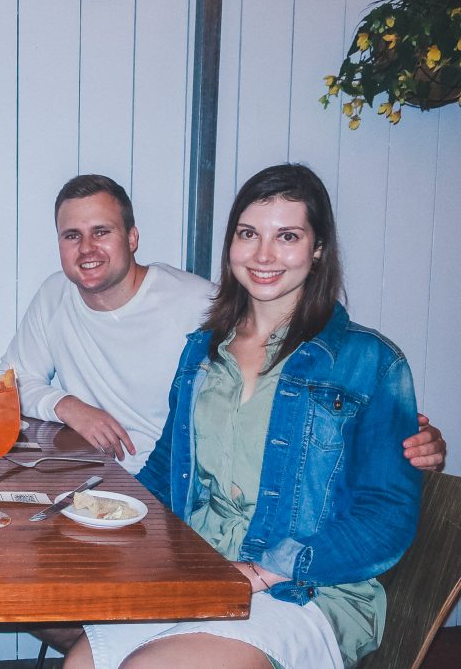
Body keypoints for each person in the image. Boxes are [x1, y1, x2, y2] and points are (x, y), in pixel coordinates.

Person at [65, 164, 423, 668]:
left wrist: (268, 569)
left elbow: (387, 516)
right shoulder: (202, 352)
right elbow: (167, 473)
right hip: (201, 573)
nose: (263, 255)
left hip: (307, 591)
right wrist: (93, 513)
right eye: (249, 233)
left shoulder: (371, 362)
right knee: (83, 663)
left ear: (318, 249)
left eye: (288, 236)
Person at [2, 174, 446, 477]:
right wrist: (68, 405)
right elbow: (9, 383)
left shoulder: (203, 308)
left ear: (132, 238)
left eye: (102, 231)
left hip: (176, 495)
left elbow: (296, 410)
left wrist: (402, 437)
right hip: (121, 490)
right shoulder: (54, 295)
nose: (86, 248)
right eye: (71, 235)